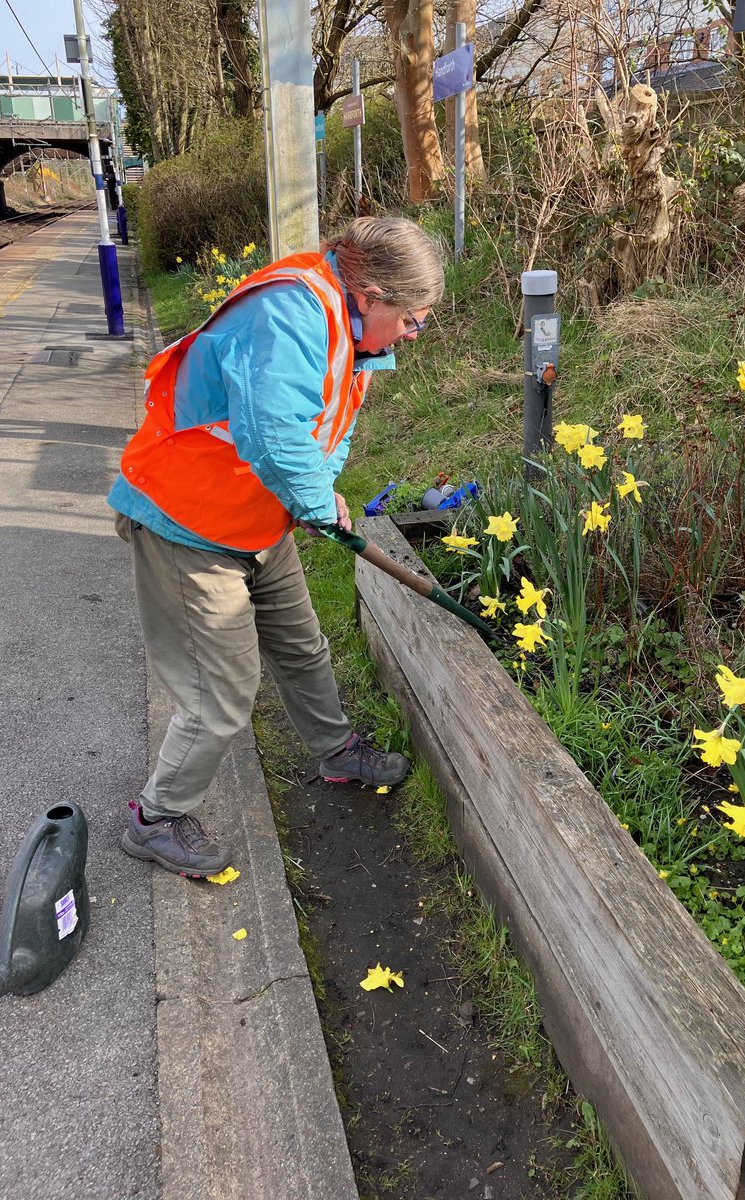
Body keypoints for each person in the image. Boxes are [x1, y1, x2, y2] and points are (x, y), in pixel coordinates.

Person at [109, 216, 445, 879]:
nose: (413, 334)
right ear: (373, 293)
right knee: (223, 691)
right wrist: (316, 506)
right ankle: (156, 819)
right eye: (411, 319)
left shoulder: (356, 334)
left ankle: (335, 749)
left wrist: (322, 492)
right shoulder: (292, 313)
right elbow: (270, 432)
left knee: (300, 645)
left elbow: (332, 423)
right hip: (188, 524)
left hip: (255, 518)